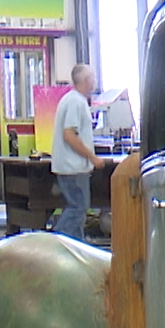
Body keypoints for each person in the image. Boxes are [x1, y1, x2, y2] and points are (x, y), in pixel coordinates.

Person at [52, 64, 104, 239]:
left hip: (69, 166)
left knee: (77, 210)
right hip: (74, 168)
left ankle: (75, 248)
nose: (95, 81)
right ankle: (56, 242)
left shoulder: (69, 99)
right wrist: (92, 157)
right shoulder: (76, 102)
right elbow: (69, 135)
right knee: (77, 209)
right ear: (87, 80)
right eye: (94, 78)